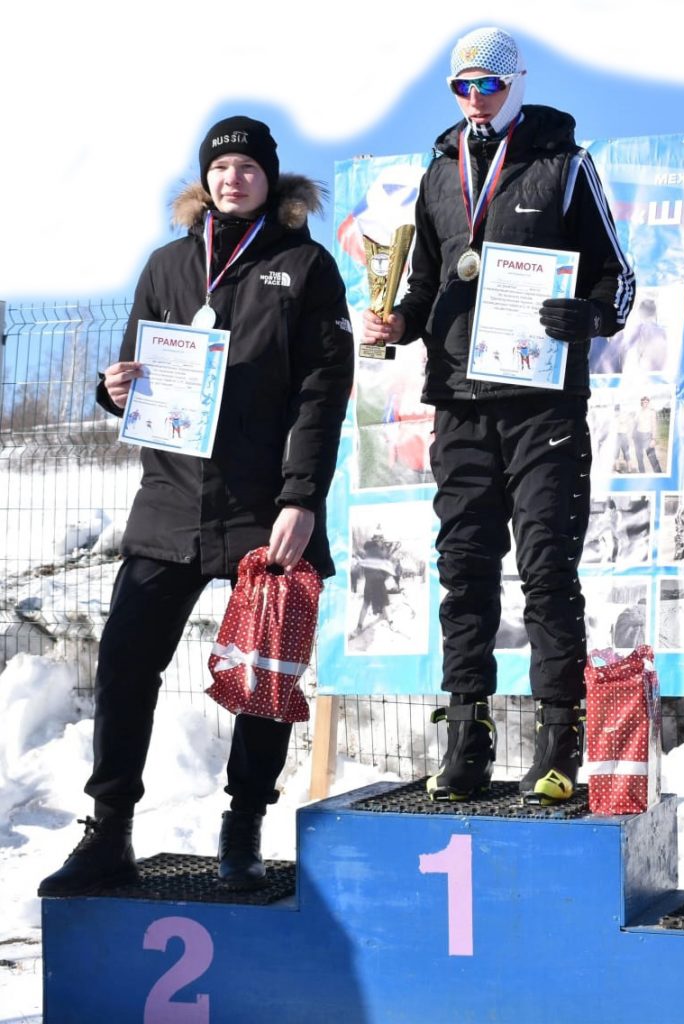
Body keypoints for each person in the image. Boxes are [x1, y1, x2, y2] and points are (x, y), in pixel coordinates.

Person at [38, 116, 354, 897]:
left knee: (265, 675)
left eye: (247, 167)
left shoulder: (305, 265)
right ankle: (109, 830)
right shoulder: (168, 263)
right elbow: (135, 370)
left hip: (264, 506)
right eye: (220, 167)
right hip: (171, 498)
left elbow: (322, 395)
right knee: (124, 663)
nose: (232, 178)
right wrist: (113, 391)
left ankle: (242, 828)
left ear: (269, 178)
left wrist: (300, 499)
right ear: (204, 180)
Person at [362, 26, 636, 806]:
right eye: (463, 86)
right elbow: (423, 286)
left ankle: (557, 739)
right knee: (464, 571)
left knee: (546, 570)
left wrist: (588, 316)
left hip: (541, 403)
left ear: (517, 83)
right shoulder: (437, 173)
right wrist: (396, 322)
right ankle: (466, 736)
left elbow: (616, 279)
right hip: (458, 401)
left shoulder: (564, 164)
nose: (476, 98)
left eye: (489, 83)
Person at [633, 396, 663, 474]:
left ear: (649, 403)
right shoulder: (638, 411)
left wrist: (653, 439)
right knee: (639, 458)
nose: (645, 403)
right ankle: (642, 474)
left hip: (647, 436)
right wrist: (633, 435)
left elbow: (654, 425)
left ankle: (659, 475)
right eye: (643, 402)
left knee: (652, 458)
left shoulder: (651, 412)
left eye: (646, 402)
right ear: (641, 403)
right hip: (638, 436)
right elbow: (635, 423)